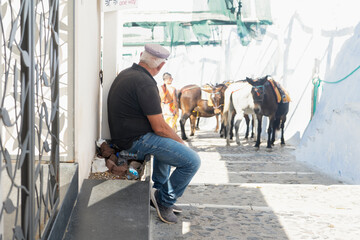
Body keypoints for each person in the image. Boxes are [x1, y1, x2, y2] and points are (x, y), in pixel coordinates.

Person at [107, 43, 201, 224]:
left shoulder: (128, 74)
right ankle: (164, 200)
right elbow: (159, 127)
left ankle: (158, 191)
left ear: (142, 55)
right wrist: (181, 143)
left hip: (127, 136)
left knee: (166, 144)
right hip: (135, 141)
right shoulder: (145, 83)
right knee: (192, 161)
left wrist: (173, 139)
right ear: (160, 66)